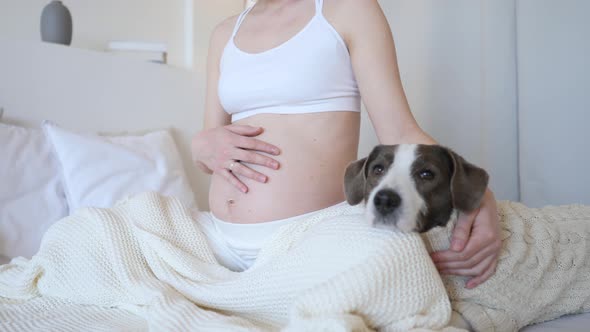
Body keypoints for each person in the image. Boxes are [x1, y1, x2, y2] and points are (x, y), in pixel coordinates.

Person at [191, 0, 501, 288]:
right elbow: (210, 150)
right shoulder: (224, 33)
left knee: (393, 264)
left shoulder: (348, 9)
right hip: (221, 241)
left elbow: (399, 131)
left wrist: (478, 195)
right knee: (143, 219)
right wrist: (200, 148)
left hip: (313, 237)